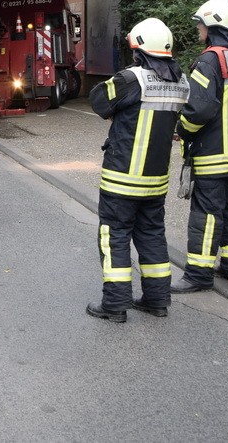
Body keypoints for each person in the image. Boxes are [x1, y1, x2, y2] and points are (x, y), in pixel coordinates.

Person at [85, 18, 190, 323]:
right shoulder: (181, 81)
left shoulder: (132, 79)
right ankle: (157, 301)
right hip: (155, 181)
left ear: (139, 50)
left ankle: (115, 305)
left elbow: (98, 101)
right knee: (152, 235)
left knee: (114, 235)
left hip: (122, 179)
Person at [172, 0, 228, 293]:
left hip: (213, 156)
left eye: (201, 23)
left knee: (206, 214)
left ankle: (198, 274)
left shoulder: (209, 59)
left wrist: (182, 130)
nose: (198, 27)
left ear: (212, 26)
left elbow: (198, 109)